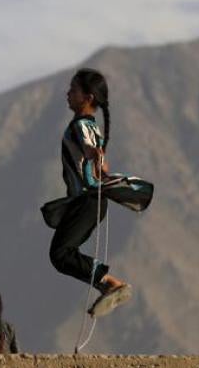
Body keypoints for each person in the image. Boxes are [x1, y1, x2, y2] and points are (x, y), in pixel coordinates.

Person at [44, 68, 151, 317]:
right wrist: (97, 160)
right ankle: (107, 285)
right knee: (61, 254)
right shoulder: (92, 125)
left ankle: (111, 284)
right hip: (90, 202)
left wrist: (93, 154)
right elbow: (102, 165)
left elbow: (91, 151)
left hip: (87, 201)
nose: (68, 94)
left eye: (73, 90)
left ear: (88, 97)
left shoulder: (81, 125)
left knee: (60, 254)